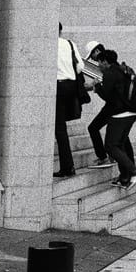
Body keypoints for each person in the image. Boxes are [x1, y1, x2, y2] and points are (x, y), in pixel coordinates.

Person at [96, 49, 136, 188]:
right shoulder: (123, 70)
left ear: (105, 61)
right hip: (131, 113)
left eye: (99, 62)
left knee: (110, 146)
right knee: (120, 145)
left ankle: (134, 171)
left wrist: (97, 86)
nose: (98, 65)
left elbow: (107, 96)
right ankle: (124, 177)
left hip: (119, 115)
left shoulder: (110, 73)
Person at [53, 23, 86, 178]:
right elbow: (80, 66)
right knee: (61, 127)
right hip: (71, 86)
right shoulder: (70, 43)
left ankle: (67, 167)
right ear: (60, 31)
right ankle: (68, 166)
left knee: (59, 128)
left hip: (58, 86)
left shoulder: (48, 44)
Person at [84, 41, 114, 169]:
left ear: (96, 51)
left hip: (113, 105)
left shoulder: (106, 66)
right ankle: (112, 157)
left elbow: (107, 91)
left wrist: (95, 87)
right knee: (119, 134)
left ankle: (103, 157)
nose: (93, 60)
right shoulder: (112, 63)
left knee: (93, 128)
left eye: (92, 56)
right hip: (116, 105)